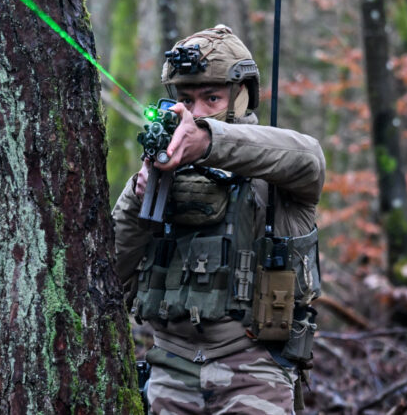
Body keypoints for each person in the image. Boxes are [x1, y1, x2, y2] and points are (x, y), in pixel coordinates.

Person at [112, 25, 326, 414]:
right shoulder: (164, 170)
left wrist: (209, 141)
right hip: (169, 369)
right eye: (187, 100)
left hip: (254, 367)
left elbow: (309, 158)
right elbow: (110, 271)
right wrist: (138, 194)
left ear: (243, 96)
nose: (195, 112)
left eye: (211, 97)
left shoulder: (275, 166)